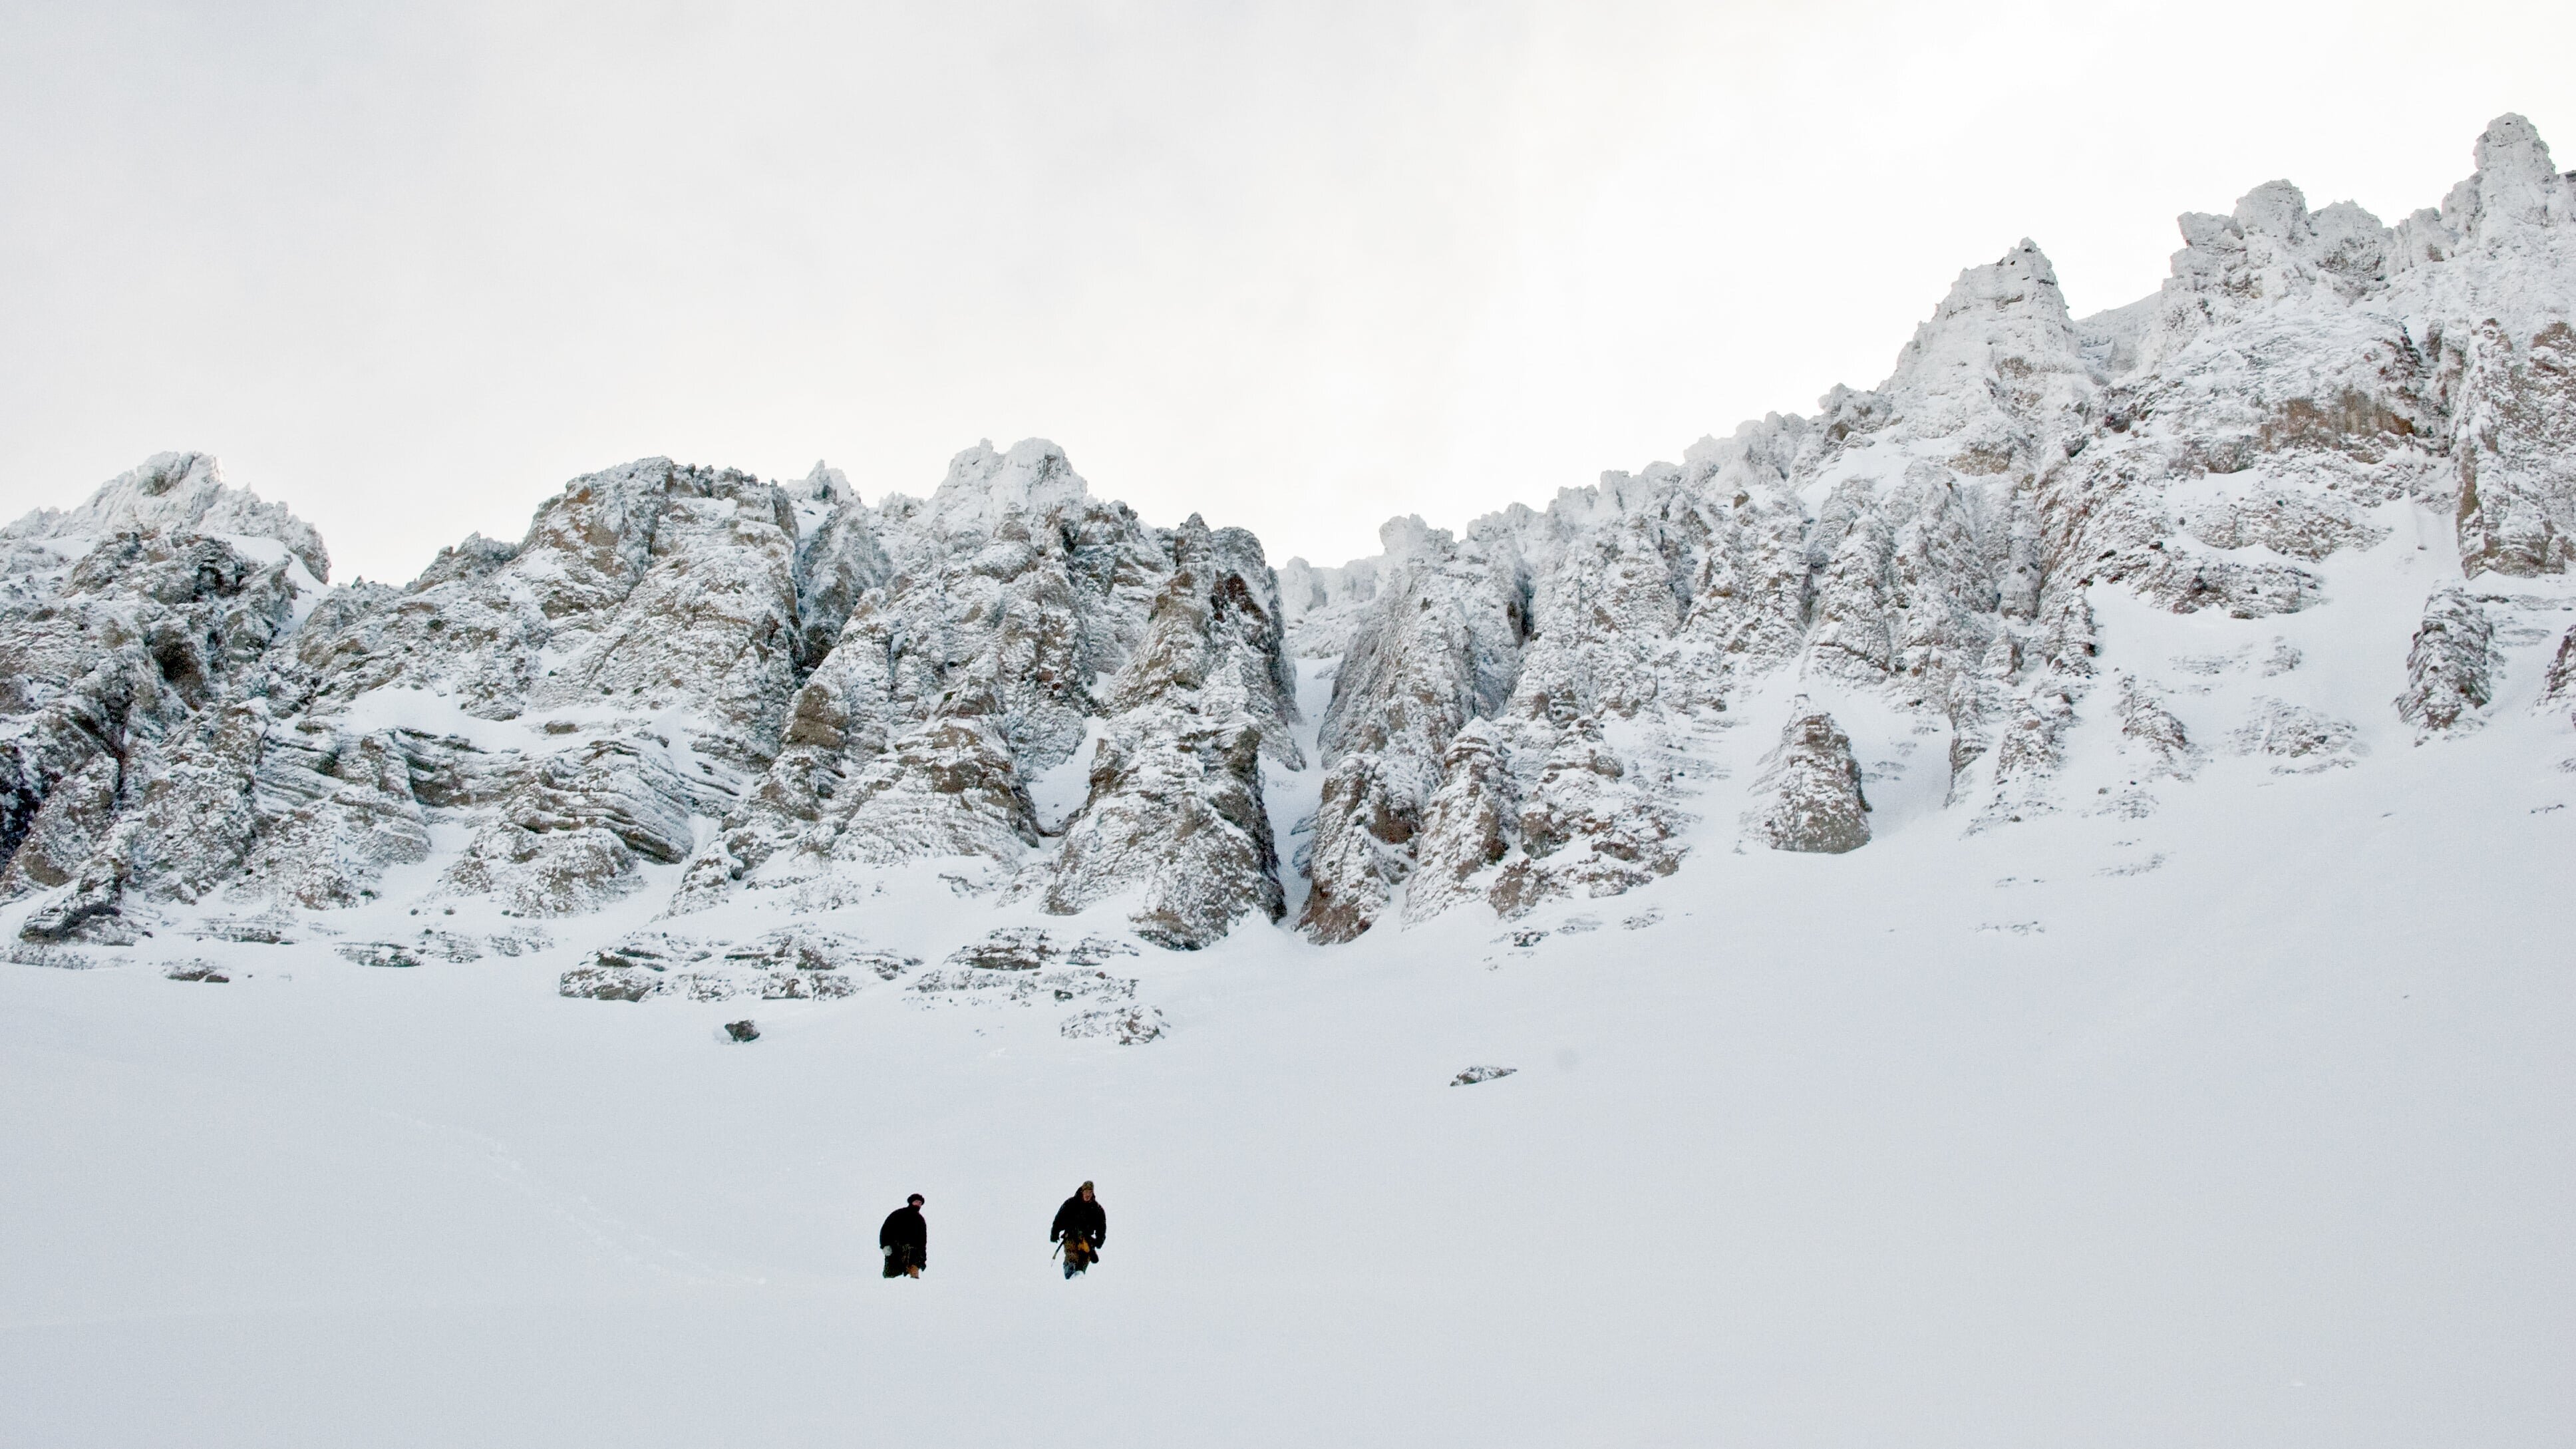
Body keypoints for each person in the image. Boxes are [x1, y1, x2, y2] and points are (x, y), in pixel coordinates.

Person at [1050, 1181, 1106, 1279]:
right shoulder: (1071, 1203)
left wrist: (1099, 1240)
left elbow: (1101, 1227)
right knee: (1072, 1256)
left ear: (1093, 1193)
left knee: (1084, 1260)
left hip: (1086, 1240)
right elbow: (1059, 1219)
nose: (1088, 1195)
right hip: (1071, 1236)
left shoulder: (1097, 1209)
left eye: (1090, 1192)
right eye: (1086, 1192)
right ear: (1082, 1191)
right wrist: (1055, 1232)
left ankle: (1078, 1279)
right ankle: (1069, 1272)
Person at [880, 1194, 927, 1279]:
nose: (918, 1204)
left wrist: (923, 1257)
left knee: (914, 1278)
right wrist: (885, 1245)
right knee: (892, 1277)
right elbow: (886, 1229)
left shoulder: (920, 1220)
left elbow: (923, 1240)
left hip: (914, 1253)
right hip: (896, 1250)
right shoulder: (898, 1214)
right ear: (911, 1202)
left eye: (920, 1202)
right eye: (916, 1201)